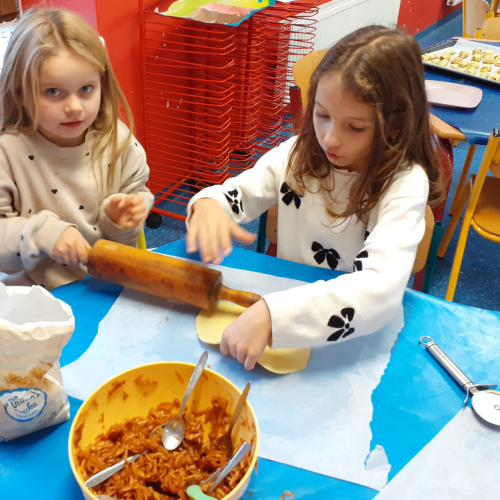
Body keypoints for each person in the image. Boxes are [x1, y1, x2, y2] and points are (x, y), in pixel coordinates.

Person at [186, 26, 445, 370]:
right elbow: (237, 196)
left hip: (348, 342)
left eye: (355, 127)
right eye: (322, 115)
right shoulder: (297, 153)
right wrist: (207, 205)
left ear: (395, 125)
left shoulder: (404, 184)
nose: (329, 138)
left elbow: (379, 291)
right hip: (287, 310)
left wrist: (273, 316)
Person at [0, 8, 154, 290]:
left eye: (86, 88)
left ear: (102, 83)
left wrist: (124, 216)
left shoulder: (117, 141)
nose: (74, 107)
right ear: (20, 93)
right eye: (53, 92)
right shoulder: (6, 154)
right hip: (36, 296)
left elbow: (138, 194)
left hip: (107, 286)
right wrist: (41, 233)